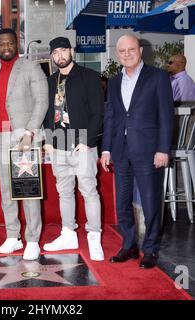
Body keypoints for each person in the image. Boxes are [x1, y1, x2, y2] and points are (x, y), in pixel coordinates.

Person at [100, 34, 174, 269]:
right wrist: (106, 150)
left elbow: (166, 116)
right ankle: (130, 245)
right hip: (121, 152)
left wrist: (163, 149)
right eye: (122, 51)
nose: (127, 54)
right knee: (122, 203)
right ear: (117, 54)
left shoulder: (158, 77)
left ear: (140, 50)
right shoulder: (113, 82)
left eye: (131, 49)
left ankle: (150, 249)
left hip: (149, 150)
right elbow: (111, 116)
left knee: (151, 202)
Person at [0, 28, 48, 260]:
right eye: (1, 43)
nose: (6, 47)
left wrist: (30, 132)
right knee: (6, 191)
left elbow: (42, 101)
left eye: (9, 43)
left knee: (27, 190)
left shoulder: (30, 67)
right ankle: (12, 236)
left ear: (16, 44)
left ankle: (32, 239)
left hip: (24, 137)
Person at [42, 37, 105, 261]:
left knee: (89, 190)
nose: (60, 56)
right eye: (55, 52)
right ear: (51, 56)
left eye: (63, 50)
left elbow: (98, 112)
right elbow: (47, 115)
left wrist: (87, 140)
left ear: (71, 51)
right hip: (58, 144)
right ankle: (68, 233)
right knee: (64, 192)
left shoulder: (89, 77)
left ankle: (94, 236)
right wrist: (47, 141)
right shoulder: (49, 81)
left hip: (82, 144)